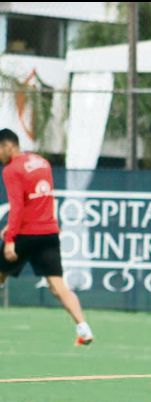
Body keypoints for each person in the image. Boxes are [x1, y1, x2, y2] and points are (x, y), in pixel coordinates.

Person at [0, 129, 94, 346]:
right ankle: (83, 328)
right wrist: (11, 227)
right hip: (49, 233)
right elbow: (37, 202)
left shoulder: (11, 170)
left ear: (8, 146)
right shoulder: (42, 163)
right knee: (58, 286)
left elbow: (18, 205)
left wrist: (11, 238)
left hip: (26, 235)